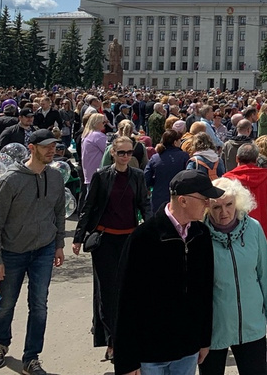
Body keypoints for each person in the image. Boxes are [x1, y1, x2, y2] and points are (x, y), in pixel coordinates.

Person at [113, 170, 221, 375]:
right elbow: (125, 300)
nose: (208, 204)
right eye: (204, 199)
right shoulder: (143, 238)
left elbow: (206, 291)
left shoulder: (202, 235)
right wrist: (126, 360)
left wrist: (204, 339)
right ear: (183, 200)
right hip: (150, 354)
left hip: (188, 350)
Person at [0, 129, 66, 375]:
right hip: (13, 252)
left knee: (39, 304)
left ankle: (32, 357)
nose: (52, 150)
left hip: (44, 249)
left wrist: (59, 244)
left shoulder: (55, 177)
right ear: (32, 148)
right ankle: (1, 344)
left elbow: (59, 212)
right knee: (7, 302)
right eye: (46, 146)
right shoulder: (11, 180)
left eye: (54, 146)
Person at [72, 136, 152, 363]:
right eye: (121, 153)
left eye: (129, 153)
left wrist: (153, 230)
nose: (126, 157)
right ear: (113, 154)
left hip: (129, 240)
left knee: (128, 290)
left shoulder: (137, 176)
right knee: (107, 292)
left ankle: (126, 337)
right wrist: (78, 237)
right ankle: (112, 340)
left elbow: (144, 205)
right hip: (105, 241)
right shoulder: (101, 176)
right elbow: (88, 208)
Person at [202, 177, 267, 375]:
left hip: (251, 324)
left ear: (237, 202)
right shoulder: (200, 234)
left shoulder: (253, 228)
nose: (224, 212)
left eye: (229, 204)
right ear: (207, 208)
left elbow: (266, 275)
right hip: (214, 327)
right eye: (217, 207)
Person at [224, 142, 267, 244]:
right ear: (256, 159)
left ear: (237, 158)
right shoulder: (266, 177)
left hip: (233, 231)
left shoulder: (228, 178)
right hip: (261, 229)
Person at [144, 128, 190, 213]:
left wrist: (156, 182)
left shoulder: (155, 157)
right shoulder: (184, 157)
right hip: (179, 197)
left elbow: (146, 177)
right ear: (175, 142)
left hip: (159, 197)